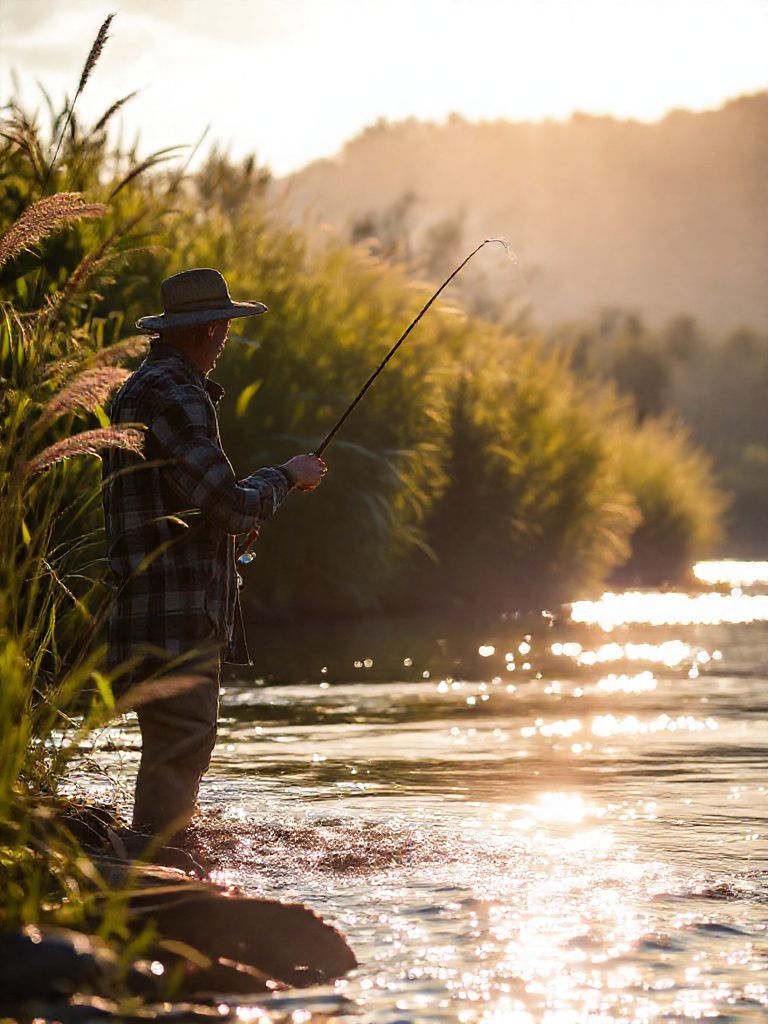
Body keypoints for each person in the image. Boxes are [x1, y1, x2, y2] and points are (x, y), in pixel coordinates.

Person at [103, 268, 326, 841]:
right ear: (205, 330)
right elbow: (229, 504)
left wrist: (232, 518)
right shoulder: (179, 395)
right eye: (224, 326)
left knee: (169, 749)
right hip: (179, 614)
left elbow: (192, 499)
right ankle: (165, 871)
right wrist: (286, 477)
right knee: (182, 746)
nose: (227, 337)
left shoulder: (137, 387)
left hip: (144, 608)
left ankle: (155, 863)